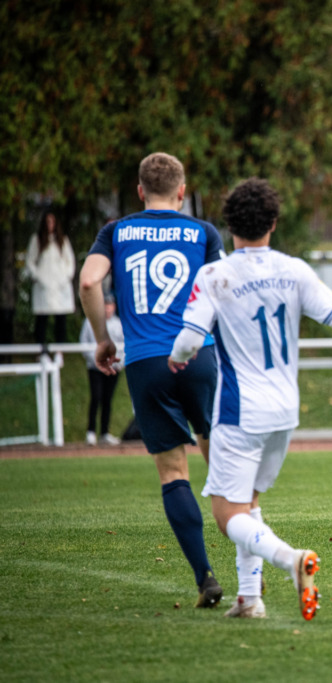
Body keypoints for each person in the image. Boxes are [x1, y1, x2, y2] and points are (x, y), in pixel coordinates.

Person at [169, 178, 332, 619]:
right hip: (283, 411)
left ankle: (290, 560)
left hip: (241, 410)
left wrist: (177, 359)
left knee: (225, 515)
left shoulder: (215, 274)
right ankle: (250, 598)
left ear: (229, 224)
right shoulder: (293, 270)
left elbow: (189, 339)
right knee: (249, 502)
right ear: (274, 222)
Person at [79, 152, 226, 608]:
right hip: (198, 354)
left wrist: (104, 340)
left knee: (172, 471)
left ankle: (205, 577)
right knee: (217, 452)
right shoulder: (202, 232)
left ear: (140, 191)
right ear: (182, 192)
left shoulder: (117, 231)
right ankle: (251, 555)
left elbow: (88, 283)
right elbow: (222, 288)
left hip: (145, 362)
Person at [25, 211, 77, 347]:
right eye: (47, 222)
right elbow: (30, 262)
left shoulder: (62, 241)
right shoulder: (37, 240)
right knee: (42, 319)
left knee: (61, 319)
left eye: (52, 221)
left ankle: (59, 351)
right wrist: (38, 277)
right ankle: (40, 350)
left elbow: (70, 262)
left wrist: (65, 278)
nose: (50, 225)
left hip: (60, 286)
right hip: (44, 286)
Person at [80, 295, 124, 446]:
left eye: (110, 305)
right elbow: (84, 344)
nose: (107, 308)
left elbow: (124, 346)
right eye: (105, 305)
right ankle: (91, 431)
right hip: (95, 367)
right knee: (96, 397)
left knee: (107, 400)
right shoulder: (90, 322)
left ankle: (104, 432)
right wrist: (97, 361)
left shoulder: (119, 324)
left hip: (114, 367)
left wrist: (118, 363)